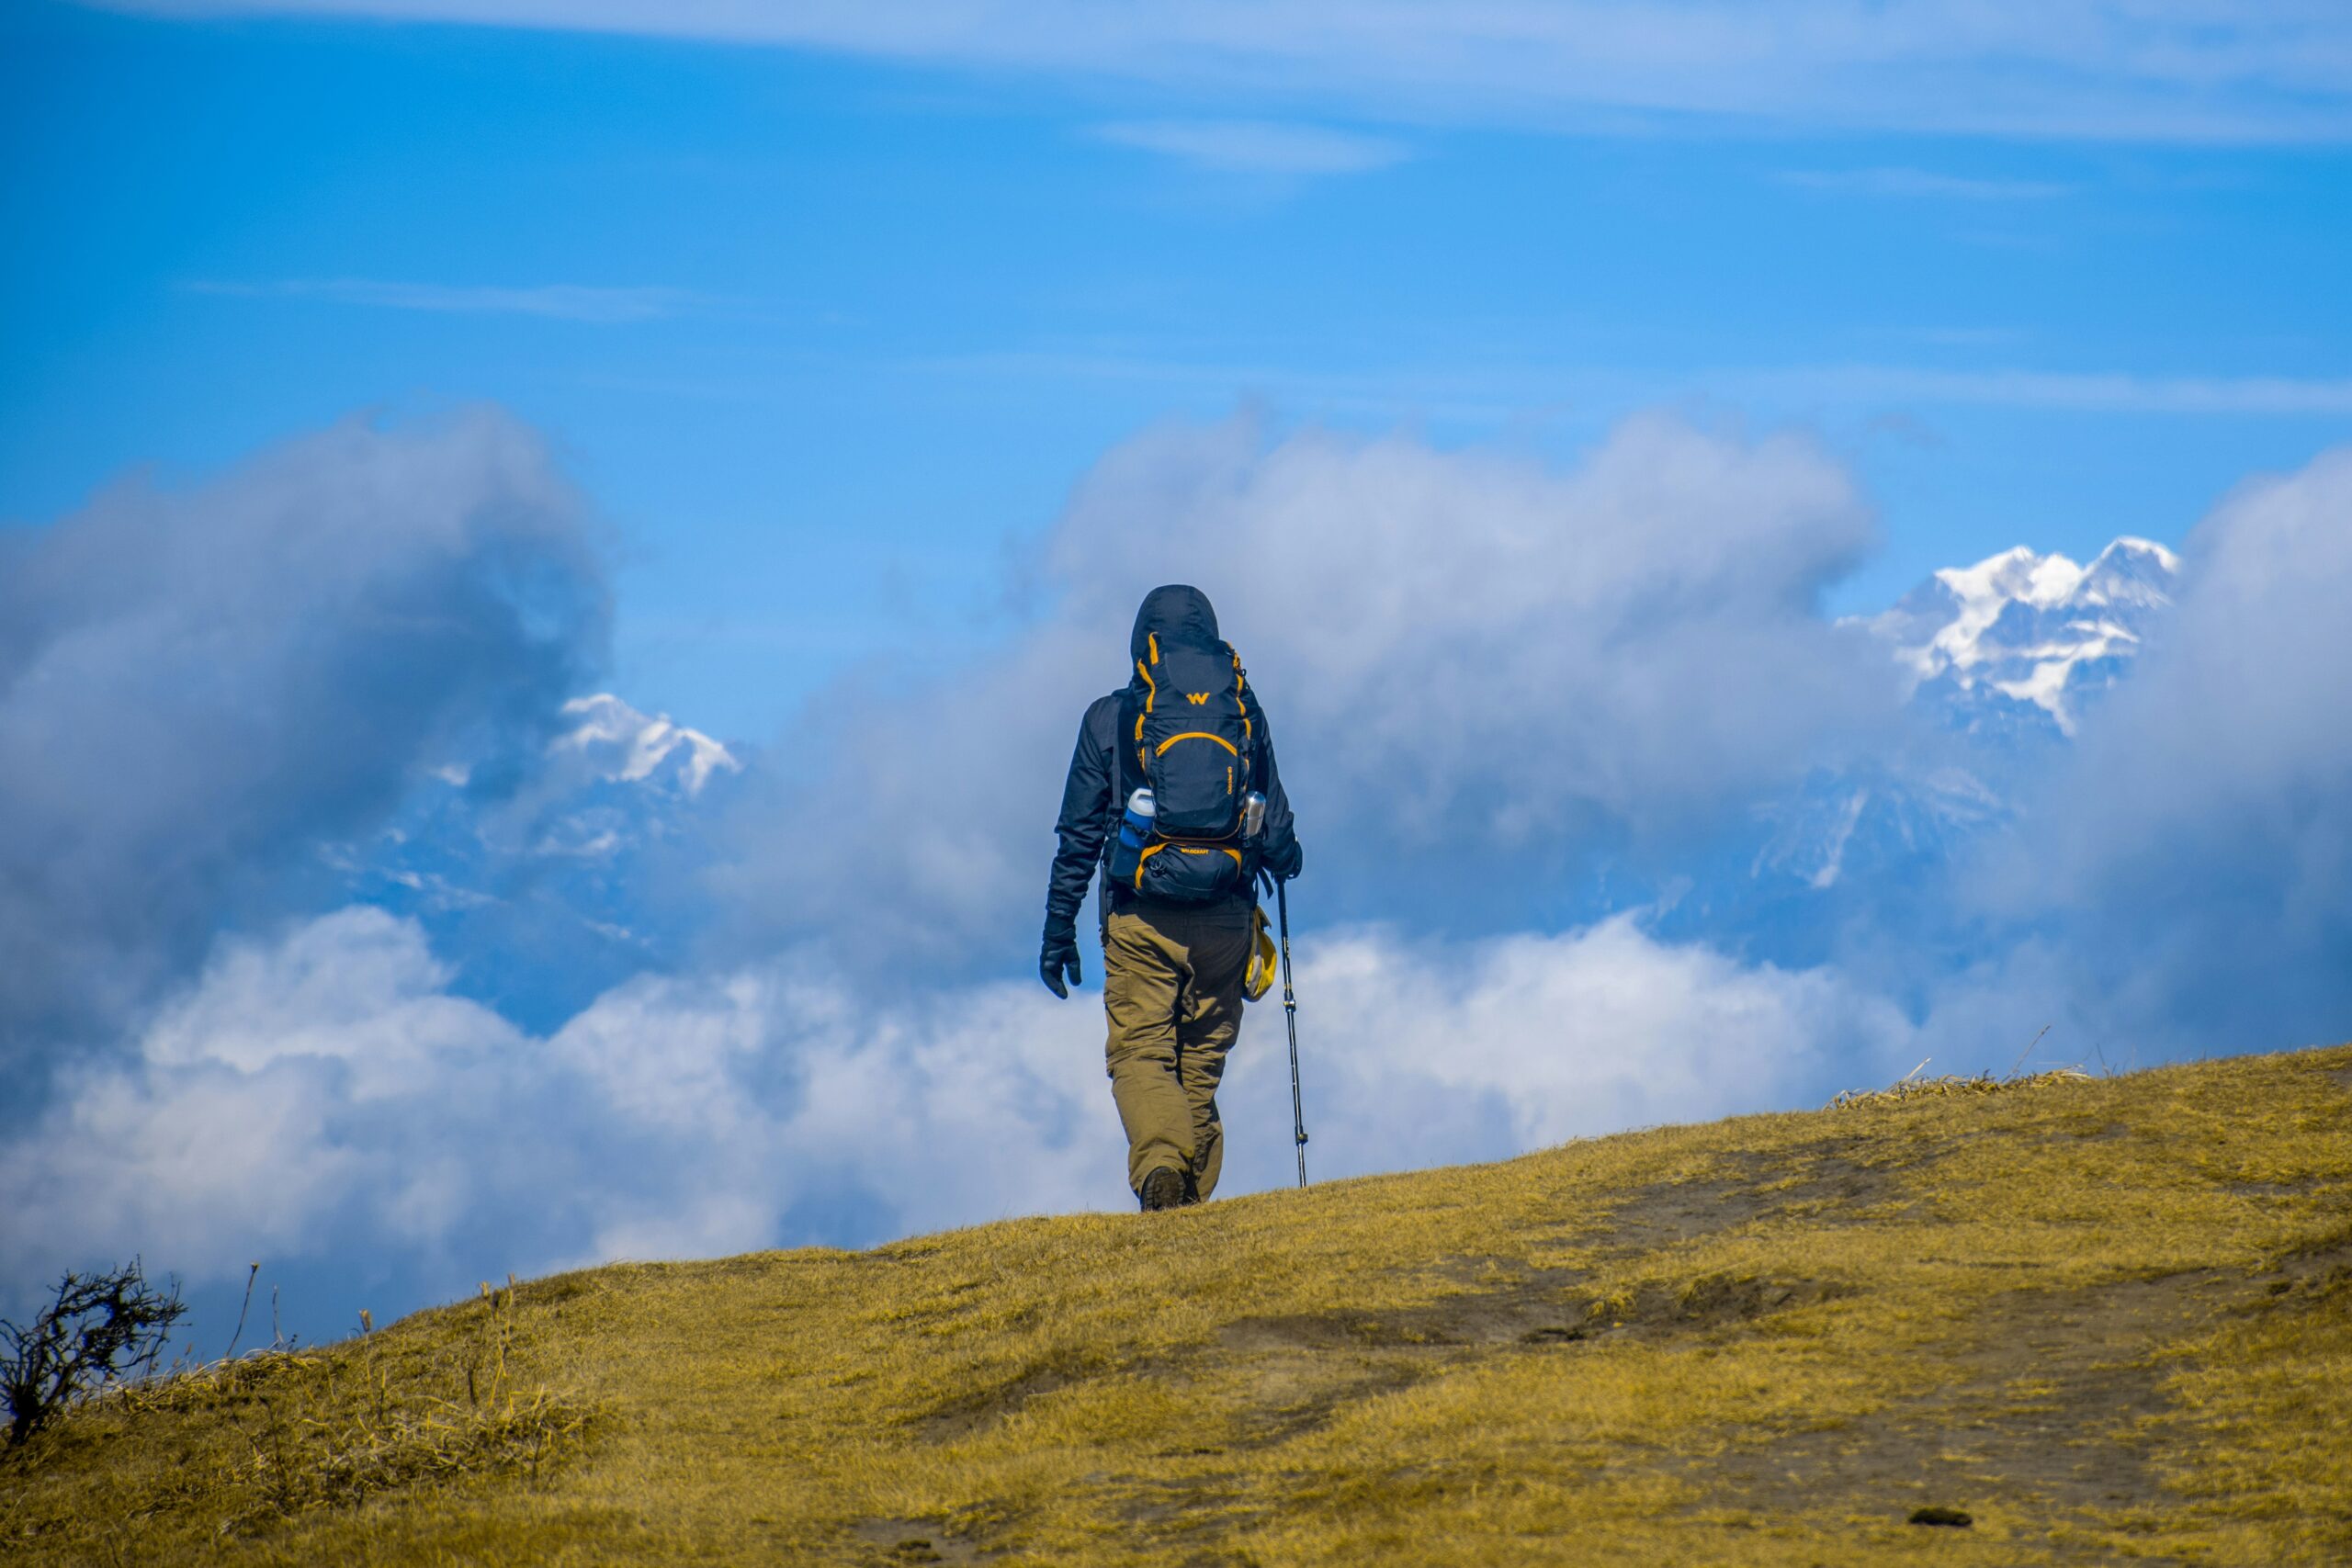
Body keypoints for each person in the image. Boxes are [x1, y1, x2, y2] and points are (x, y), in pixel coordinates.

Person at [1039, 585, 1303, 1212]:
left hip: (1141, 916)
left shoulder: (1109, 717)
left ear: (1142, 643)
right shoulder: (1241, 709)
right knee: (1199, 1064)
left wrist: (1058, 930)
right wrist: (1284, 862)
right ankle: (1188, 1209)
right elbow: (1278, 824)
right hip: (1226, 917)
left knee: (1141, 1054)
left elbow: (1077, 836)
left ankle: (1162, 1170)